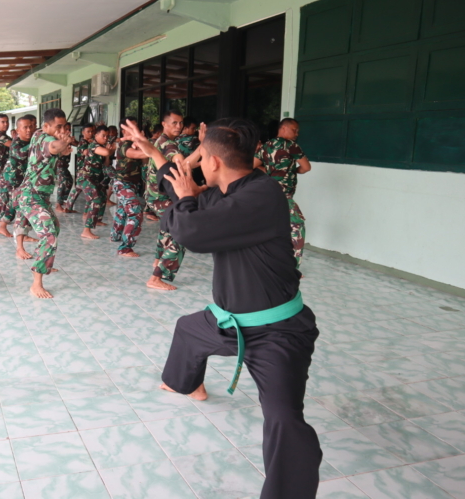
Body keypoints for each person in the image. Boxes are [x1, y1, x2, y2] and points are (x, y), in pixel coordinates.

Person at [122, 117, 321, 499]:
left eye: (202, 159)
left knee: (284, 421)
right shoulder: (231, 190)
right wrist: (150, 151)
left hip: (276, 332)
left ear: (212, 161)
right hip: (228, 320)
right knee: (187, 328)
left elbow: (189, 228)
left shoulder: (261, 196)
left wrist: (184, 203)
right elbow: (180, 193)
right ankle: (186, 382)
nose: (198, 170)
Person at [15, 108, 74, 298]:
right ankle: (36, 283)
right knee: (49, 233)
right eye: (58, 126)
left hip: (40, 196)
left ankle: (44, 261)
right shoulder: (44, 139)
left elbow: (58, 147)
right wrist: (63, 142)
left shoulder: (40, 133)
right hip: (30, 194)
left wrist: (63, 143)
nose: (62, 129)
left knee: (54, 229)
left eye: (64, 126)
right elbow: (55, 147)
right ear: (46, 126)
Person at [254, 118, 311, 269]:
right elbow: (306, 167)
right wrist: (292, 171)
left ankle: (264, 262)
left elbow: (251, 165)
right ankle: (293, 268)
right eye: (294, 130)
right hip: (284, 197)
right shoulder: (292, 146)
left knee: (268, 229)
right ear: (283, 129)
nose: (296, 134)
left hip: (267, 195)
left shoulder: (266, 146)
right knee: (297, 227)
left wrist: (268, 171)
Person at [145, 110, 186, 291]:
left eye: (180, 123)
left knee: (168, 229)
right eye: (174, 123)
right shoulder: (168, 144)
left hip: (157, 196)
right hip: (160, 197)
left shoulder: (160, 141)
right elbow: (177, 159)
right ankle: (156, 278)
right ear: (164, 124)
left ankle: (157, 262)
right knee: (182, 232)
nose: (178, 126)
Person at [3, 115, 40, 259]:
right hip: (15, 182)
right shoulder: (17, 143)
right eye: (25, 127)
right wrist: (37, 142)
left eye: (31, 126)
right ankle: (19, 248)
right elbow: (21, 153)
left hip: (26, 182)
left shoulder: (31, 141)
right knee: (21, 212)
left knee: (23, 212)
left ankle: (22, 238)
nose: (29, 130)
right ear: (18, 130)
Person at [110, 116, 146, 257]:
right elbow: (141, 154)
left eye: (136, 127)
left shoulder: (133, 143)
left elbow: (144, 161)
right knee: (135, 211)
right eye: (131, 128)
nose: (135, 130)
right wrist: (147, 145)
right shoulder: (124, 146)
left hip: (132, 184)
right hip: (122, 184)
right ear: (123, 130)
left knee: (122, 209)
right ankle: (125, 248)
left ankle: (115, 235)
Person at [77, 125, 110, 240]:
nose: (106, 138)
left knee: (102, 196)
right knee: (95, 199)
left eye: (107, 136)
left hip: (95, 179)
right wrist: (113, 147)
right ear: (96, 136)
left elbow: (106, 162)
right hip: (86, 177)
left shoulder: (101, 146)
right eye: (103, 135)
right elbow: (106, 152)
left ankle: (97, 220)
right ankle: (86, 230)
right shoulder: (93, 145)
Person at [61, 123, 94, 213]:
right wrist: (94, 146)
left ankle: (67, 207)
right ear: (83, 132)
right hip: (84, 170)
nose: (90, 133)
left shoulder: (88, 142)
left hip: (83, 170)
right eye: (88, 131)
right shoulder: (84, 142)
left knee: (77, 188)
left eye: (92, 131)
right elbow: (85, 152)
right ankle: (87, 213)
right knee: (90, 191)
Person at [54, 122, 75, 212]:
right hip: (59, 165)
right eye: (66, 129)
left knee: (69, 181)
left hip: (65, 165)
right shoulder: (59, 140)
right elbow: (57, 153)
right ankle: (58, 204)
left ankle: (63, 201)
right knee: (63, 182)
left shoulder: (67, 139)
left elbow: (77, 143)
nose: (68, 131)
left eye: (69, 129)